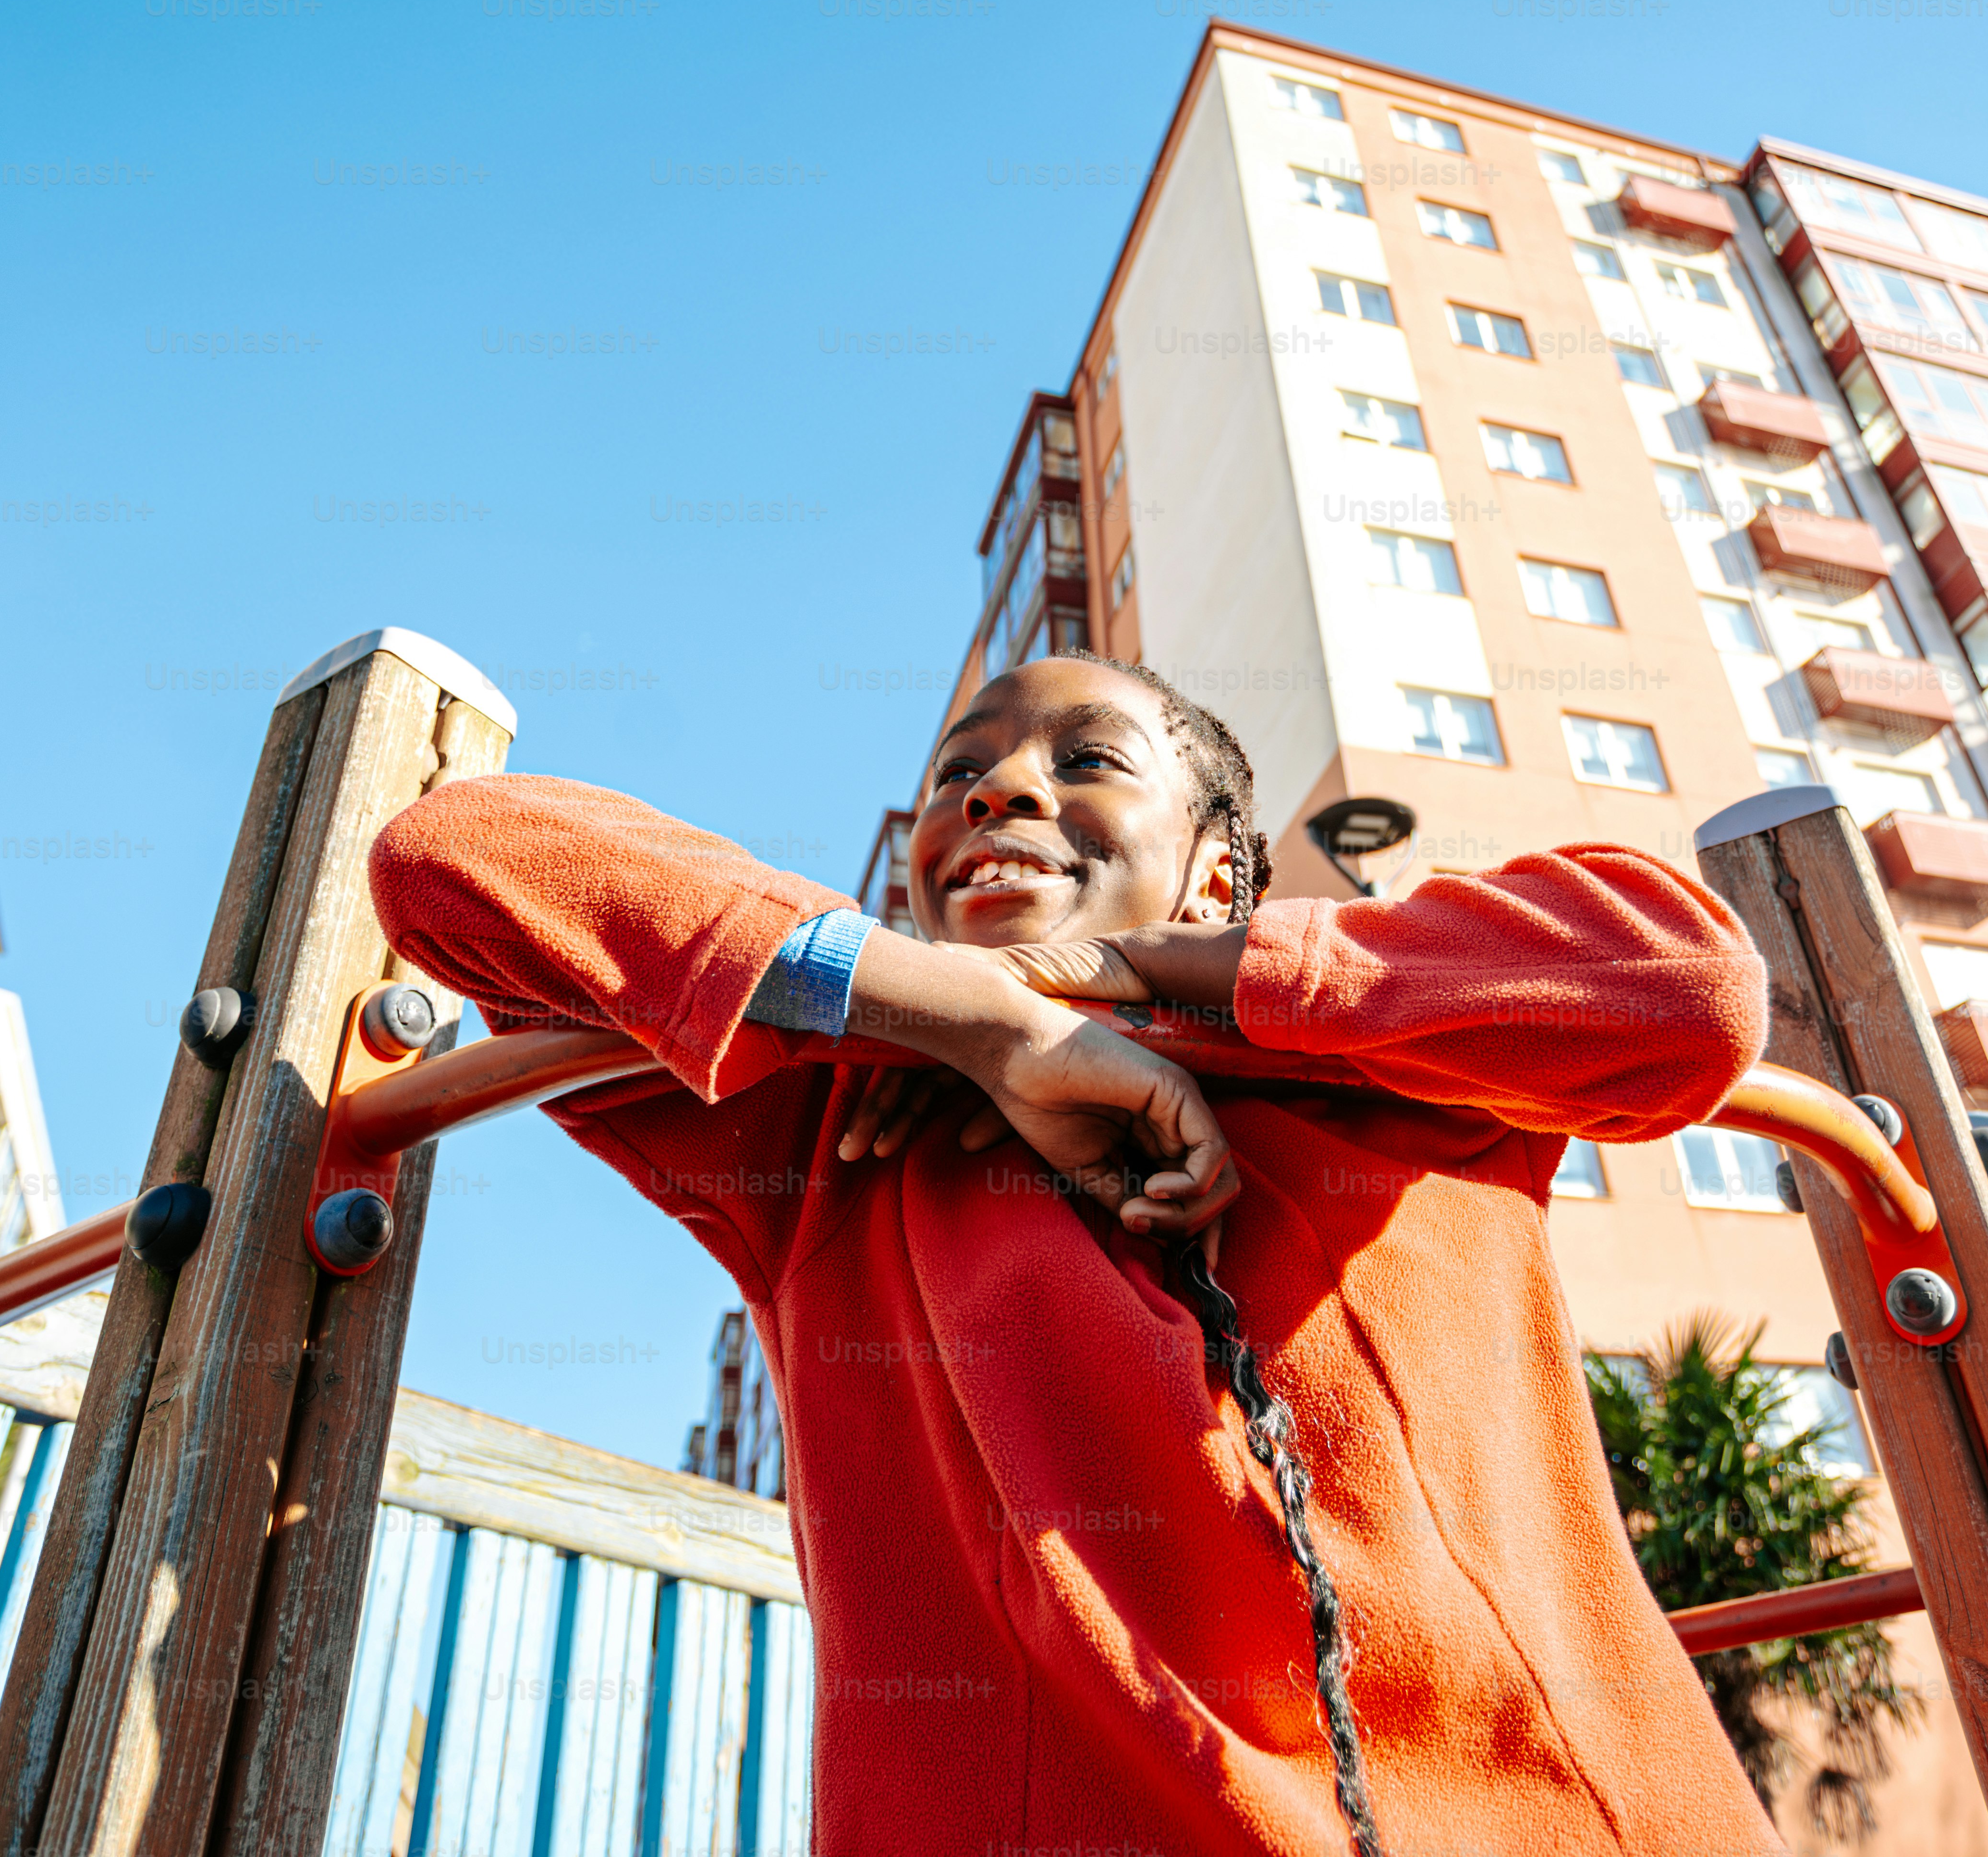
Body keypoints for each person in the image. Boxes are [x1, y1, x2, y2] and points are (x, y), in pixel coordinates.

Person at [369, 650, 1787, 1857]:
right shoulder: (834, 1149)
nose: (998, 791)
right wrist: (975, 1024)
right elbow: (453, 862)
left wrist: (1141, 985)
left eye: (1089, 758)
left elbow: (1694, 988)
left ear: (1217, 872)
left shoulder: (1406, 1075)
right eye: (956, 775)